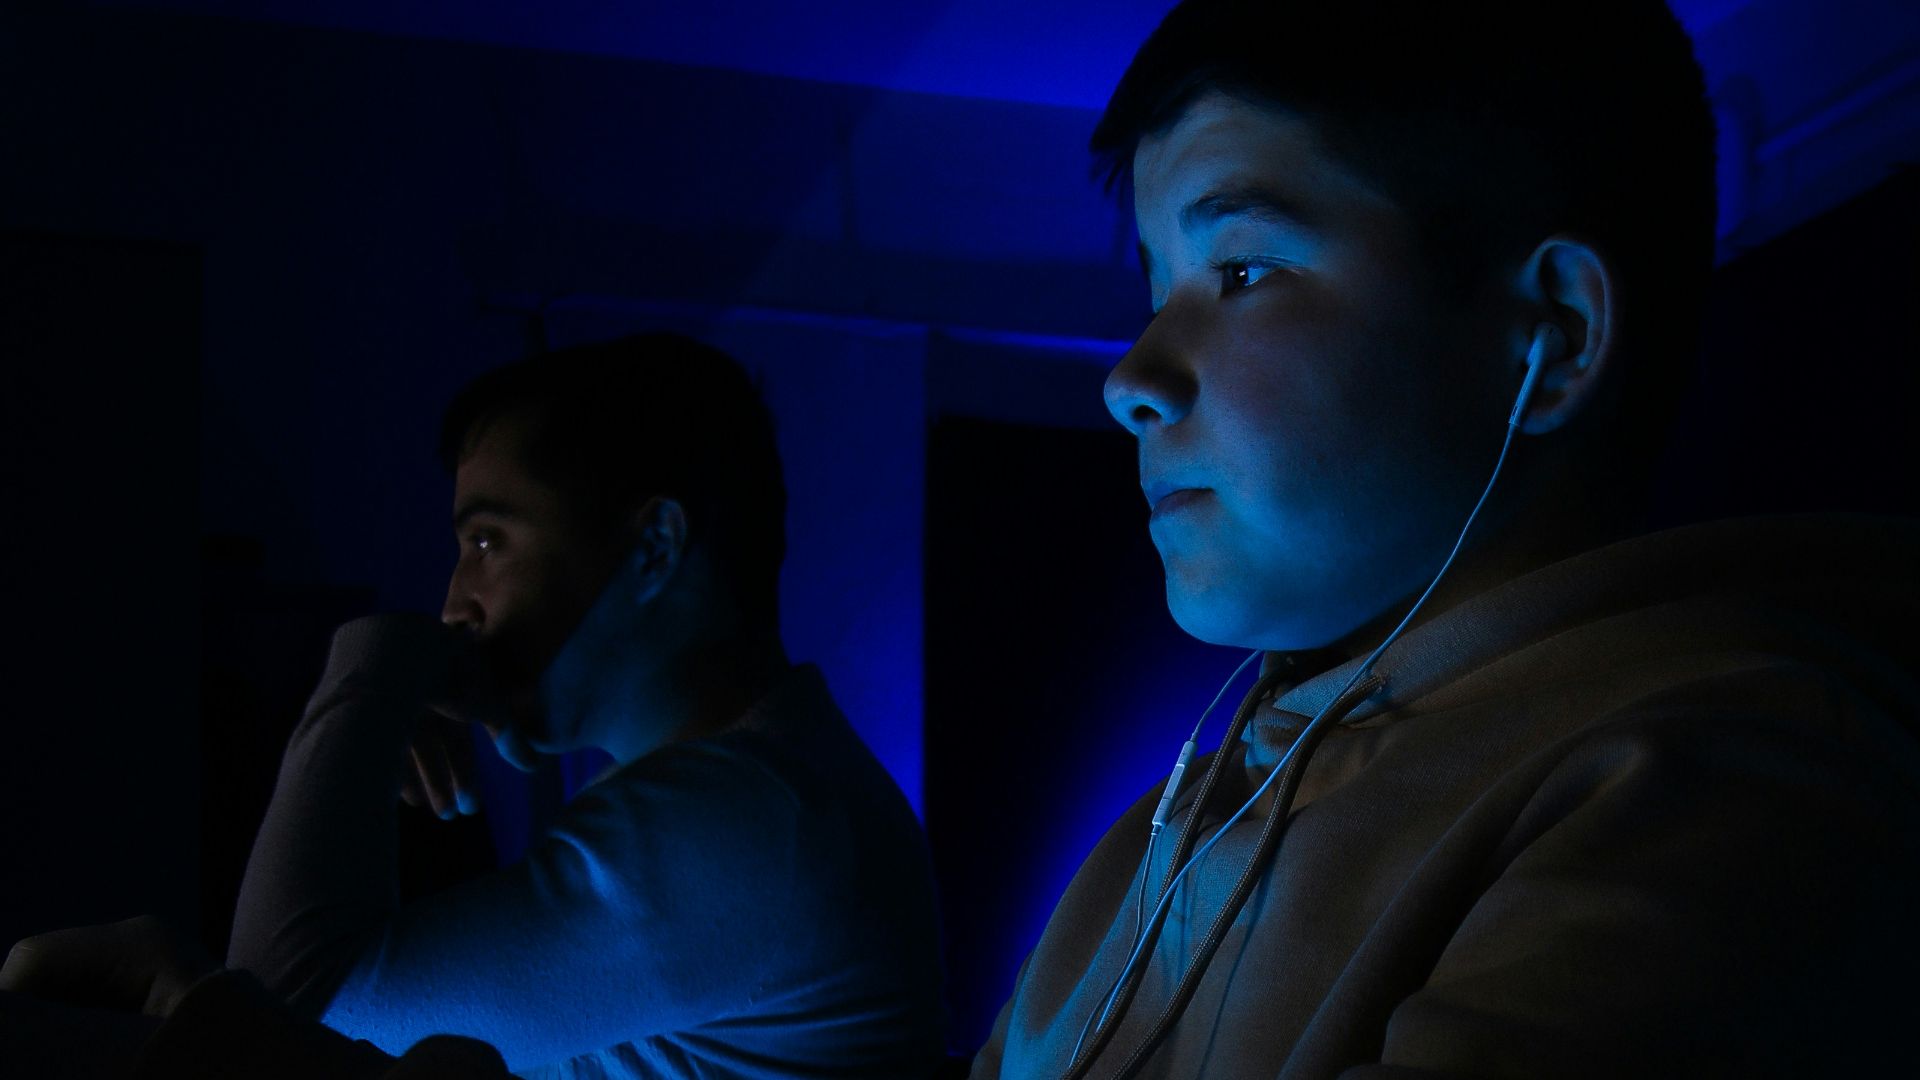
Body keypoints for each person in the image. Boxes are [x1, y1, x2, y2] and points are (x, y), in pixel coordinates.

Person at [967, 1, 1920, 1077]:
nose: (1129, 378)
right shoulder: (1163, 832)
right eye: (1153, 292)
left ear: (1549, 341)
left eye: (1240, 272)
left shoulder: (1735, 797)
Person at [1, 332, 945, 1079]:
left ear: (655, 548)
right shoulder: (775, 791)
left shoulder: (748, 825)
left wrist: (376, 668)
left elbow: (290, 1011)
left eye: (488, 542)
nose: (455, 602)